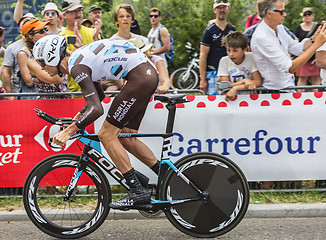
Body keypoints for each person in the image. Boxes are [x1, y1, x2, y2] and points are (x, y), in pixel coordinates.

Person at [33, 35, 160, 208]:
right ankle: (168, 177)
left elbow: (96, 109)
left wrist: (68, 131)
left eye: (41, 62)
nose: (41, 67)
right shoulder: (79, 60)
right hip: (146, 75)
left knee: (106, 135)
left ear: (52, 56)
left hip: (139, 78)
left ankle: (137, 190)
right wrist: (77, 118)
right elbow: (98, 98)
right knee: (126, 137)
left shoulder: (76, 67)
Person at [251, 0, 326, 93]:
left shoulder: (278, 27)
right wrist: (316, 44)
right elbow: (290, 68)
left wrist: (314, 38)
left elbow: (296, 48)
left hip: (286, 88)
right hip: (274, 92)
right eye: (281, 12)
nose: (285, 14)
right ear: (269, 13)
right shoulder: (262, 37)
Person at [18, 19, 68, 99]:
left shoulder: (52, 50)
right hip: (47, 101)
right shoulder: (31, 60)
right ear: (30, 36)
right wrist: (57, 50)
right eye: (41, 31)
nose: (46, 33)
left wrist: (63, 46)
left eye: (46, 29)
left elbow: (75, 63)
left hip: (65, 98)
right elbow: (57, 79)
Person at [60, 0, 102, 93]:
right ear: (64, 15)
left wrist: (96, 39)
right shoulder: (60, 38)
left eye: (79, 11)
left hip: (95, 88)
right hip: (72, 92)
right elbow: (65, 67)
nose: (77, 14)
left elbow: (101, 60)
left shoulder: (93, 32)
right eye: (73, 12)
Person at [199, 0, 236, 95]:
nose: (222, 10)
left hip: (230, 72)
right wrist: (203, 79)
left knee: (231, 100)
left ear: (229, 9)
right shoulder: (209, 31)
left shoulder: (232, 29)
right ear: (214, 10)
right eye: (219, 8)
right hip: (213, 73)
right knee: (213, 103)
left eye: (224, 7)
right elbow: (203, 56)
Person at [217, 31, 262, 101]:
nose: (231, 54)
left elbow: (258, 82)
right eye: (228, 50)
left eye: (235, 51)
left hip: (251, 100)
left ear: (244, 50)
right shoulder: (224, 61)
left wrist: (236, 88)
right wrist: (244, 81)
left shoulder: (251, 57)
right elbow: (225, 87)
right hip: (232, 99)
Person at [2, 14, 33, 100]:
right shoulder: (12, 47)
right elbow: (6, 71)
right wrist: (9, 94)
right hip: (19, 93)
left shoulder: (39, 44)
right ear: (20, 29)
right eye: (25, 25)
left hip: (38, 92)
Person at [294, 7, 321, 92]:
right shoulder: (298, 28)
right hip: (303, 58)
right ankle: (299, 100)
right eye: (305, 14)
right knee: (302, 79)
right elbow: (295, 42)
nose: (307, 16)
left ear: (312, 15)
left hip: (315, 58)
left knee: (316, 79)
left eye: (309, 14)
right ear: (303, 16)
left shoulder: (318, 26)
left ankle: (317, 100)